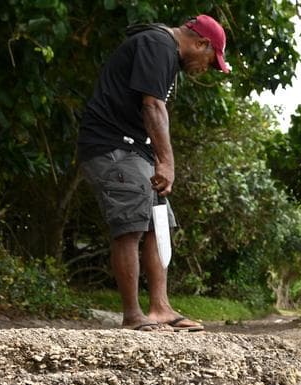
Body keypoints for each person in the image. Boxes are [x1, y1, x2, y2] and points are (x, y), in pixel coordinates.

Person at [77, 15, 231, 332]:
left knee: (159, 223)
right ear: (201, 43)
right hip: (113, 146)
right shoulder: (158, 44)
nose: (207, 68)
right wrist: (167, 161)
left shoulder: (164, 52)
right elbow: (152, 107)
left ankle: (160, 308)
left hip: (135, 150)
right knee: (131, 225)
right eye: (210, 60)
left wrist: (156, 158)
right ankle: (133, 314)